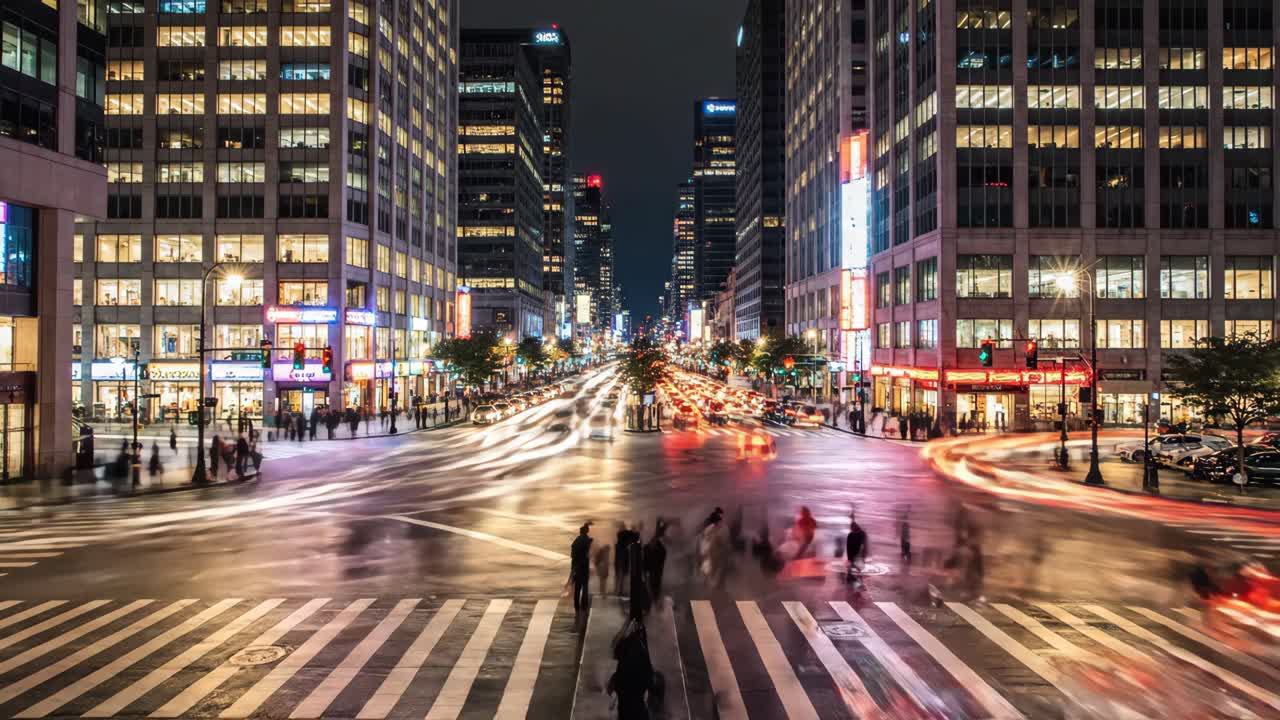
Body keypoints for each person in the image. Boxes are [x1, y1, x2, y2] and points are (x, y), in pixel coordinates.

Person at [570, 524, 593, 613]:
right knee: (585, 587)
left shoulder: (576, 541)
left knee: (577, 588)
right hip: (584, 567)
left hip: (577, 567)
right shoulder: (588, 540)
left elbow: (573, 556)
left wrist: (572, 569)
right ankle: (584, 605)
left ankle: (576, 606)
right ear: (586, 531)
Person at [643, 523, 667, 602]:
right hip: (653, 570)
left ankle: (653, 600)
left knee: (653, 585)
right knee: (653, 585)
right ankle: (653, 600)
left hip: (653, 570)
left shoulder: (658, 549)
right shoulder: (659, 549)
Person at [846, 514, 868, 586]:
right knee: (856, 566)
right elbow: (848, 546)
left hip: (856, 554)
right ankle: (854, 578)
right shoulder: (859, 534)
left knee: (856, 566)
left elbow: (864, 544)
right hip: (856, 554)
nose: (851, 529)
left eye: (852, 528)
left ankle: (854, 578)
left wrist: (863, 554)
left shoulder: (855, 534)